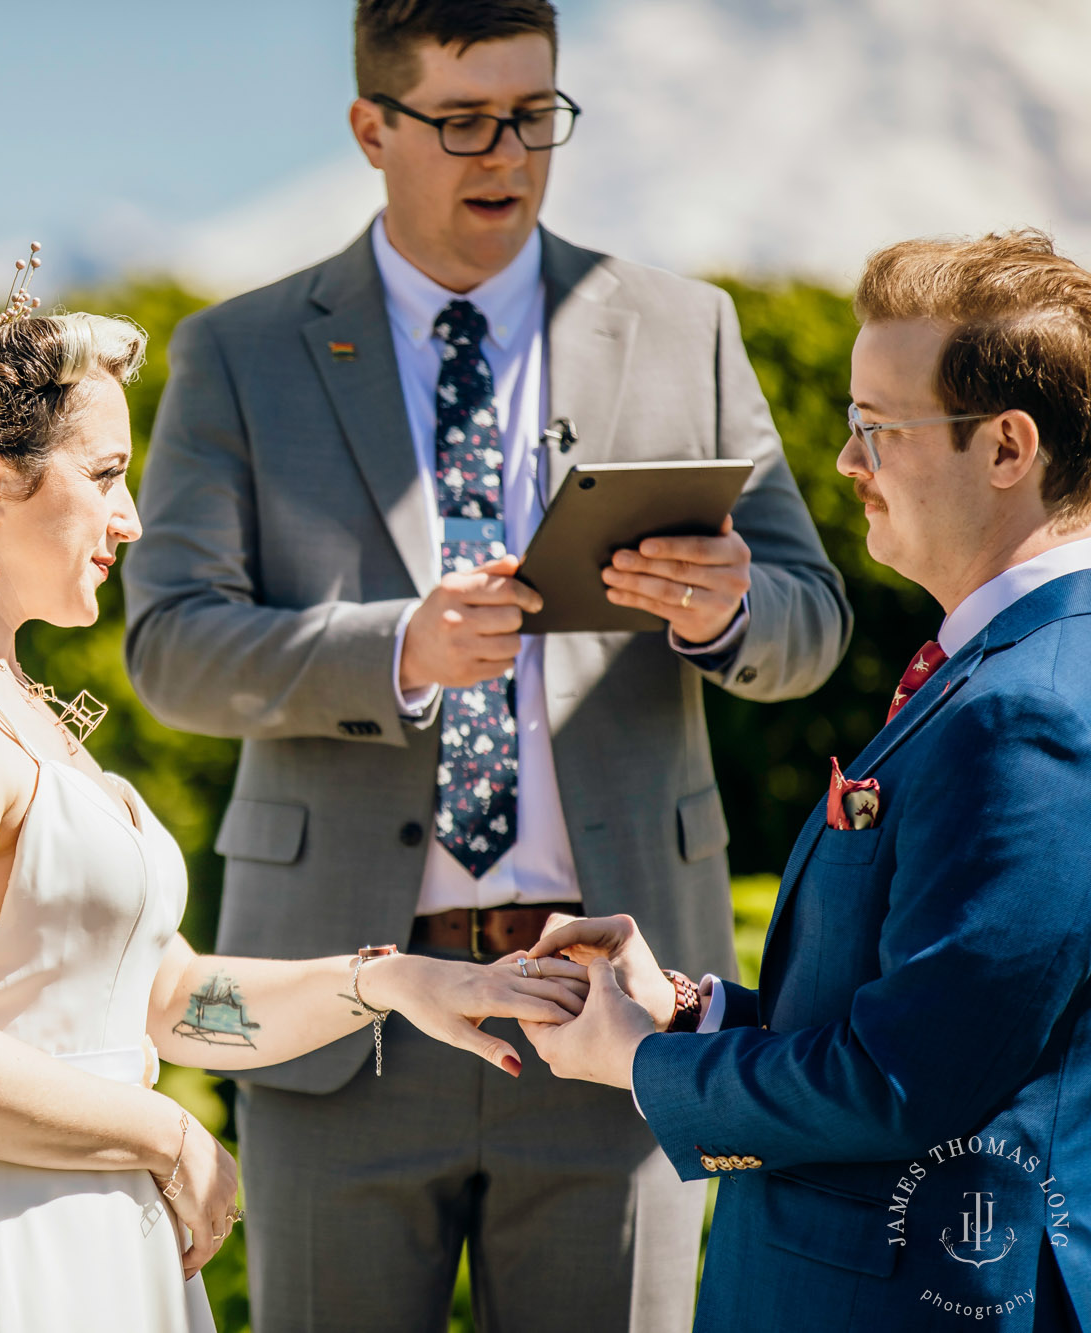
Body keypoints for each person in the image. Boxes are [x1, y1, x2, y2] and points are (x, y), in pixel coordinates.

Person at [120, 1, 851, 1328]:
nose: (505, 154)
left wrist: (721, 612)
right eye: (462, 122)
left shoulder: (684, 329)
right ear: (370, 128)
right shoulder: (236, 354)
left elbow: (811, 619)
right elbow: (168, 646)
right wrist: (392, 648)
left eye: (533, 115)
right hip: (343, 1017)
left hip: (608, 1016)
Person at [0, 268, 589, 1333]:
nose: (132, 518)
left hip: (83, 1238)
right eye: (104, 474)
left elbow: (168, 1002)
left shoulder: (6, 697)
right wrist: (167, 1136)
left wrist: (391, 984)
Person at [522, 230, 1091, 1332]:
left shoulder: (1026, 710)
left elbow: (902, 1078)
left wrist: (639, 1064)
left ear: (1007, 447)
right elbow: (919, 1014)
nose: (844, 464)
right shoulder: (997, 669)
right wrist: (689, 1015)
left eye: (875, 428)